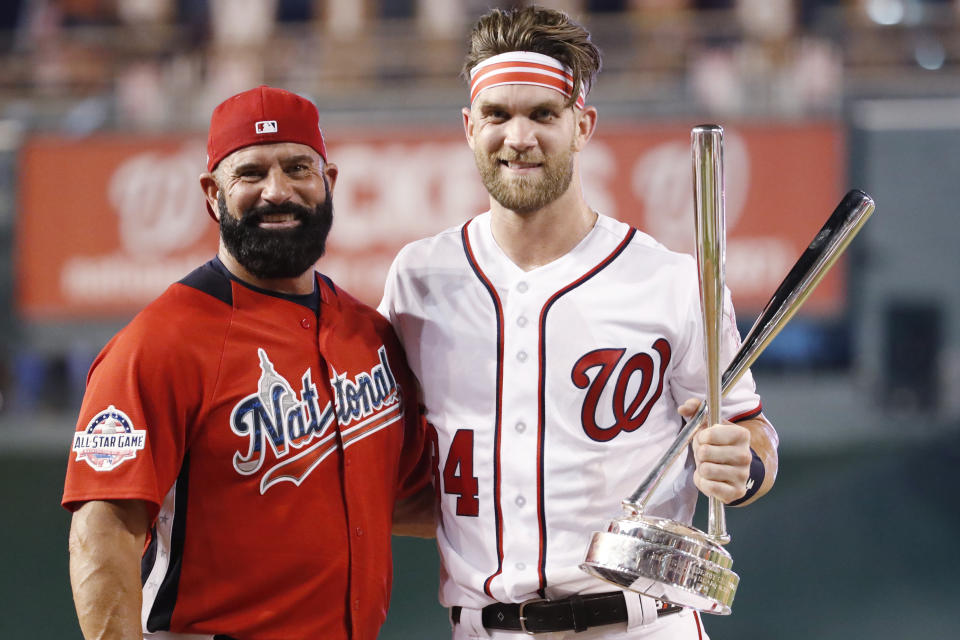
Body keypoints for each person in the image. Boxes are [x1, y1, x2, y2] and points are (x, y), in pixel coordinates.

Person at [378, 6, 779, 639]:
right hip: (485, 626)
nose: (519, 137)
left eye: (543, 114)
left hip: (642, 623)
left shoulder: (672, 281)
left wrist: (742, 467)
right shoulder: (417, 278)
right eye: (497, 114)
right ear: (468, 126)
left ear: (582, 125)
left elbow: (753, 437)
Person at [63, 85, 430, 640]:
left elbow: (401, 499)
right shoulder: (158, 343)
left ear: (328, 182)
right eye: (251, 174)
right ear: (212, 194)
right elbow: (103, 528)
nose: (277, 191)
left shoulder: (368, 334)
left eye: (297, 168)